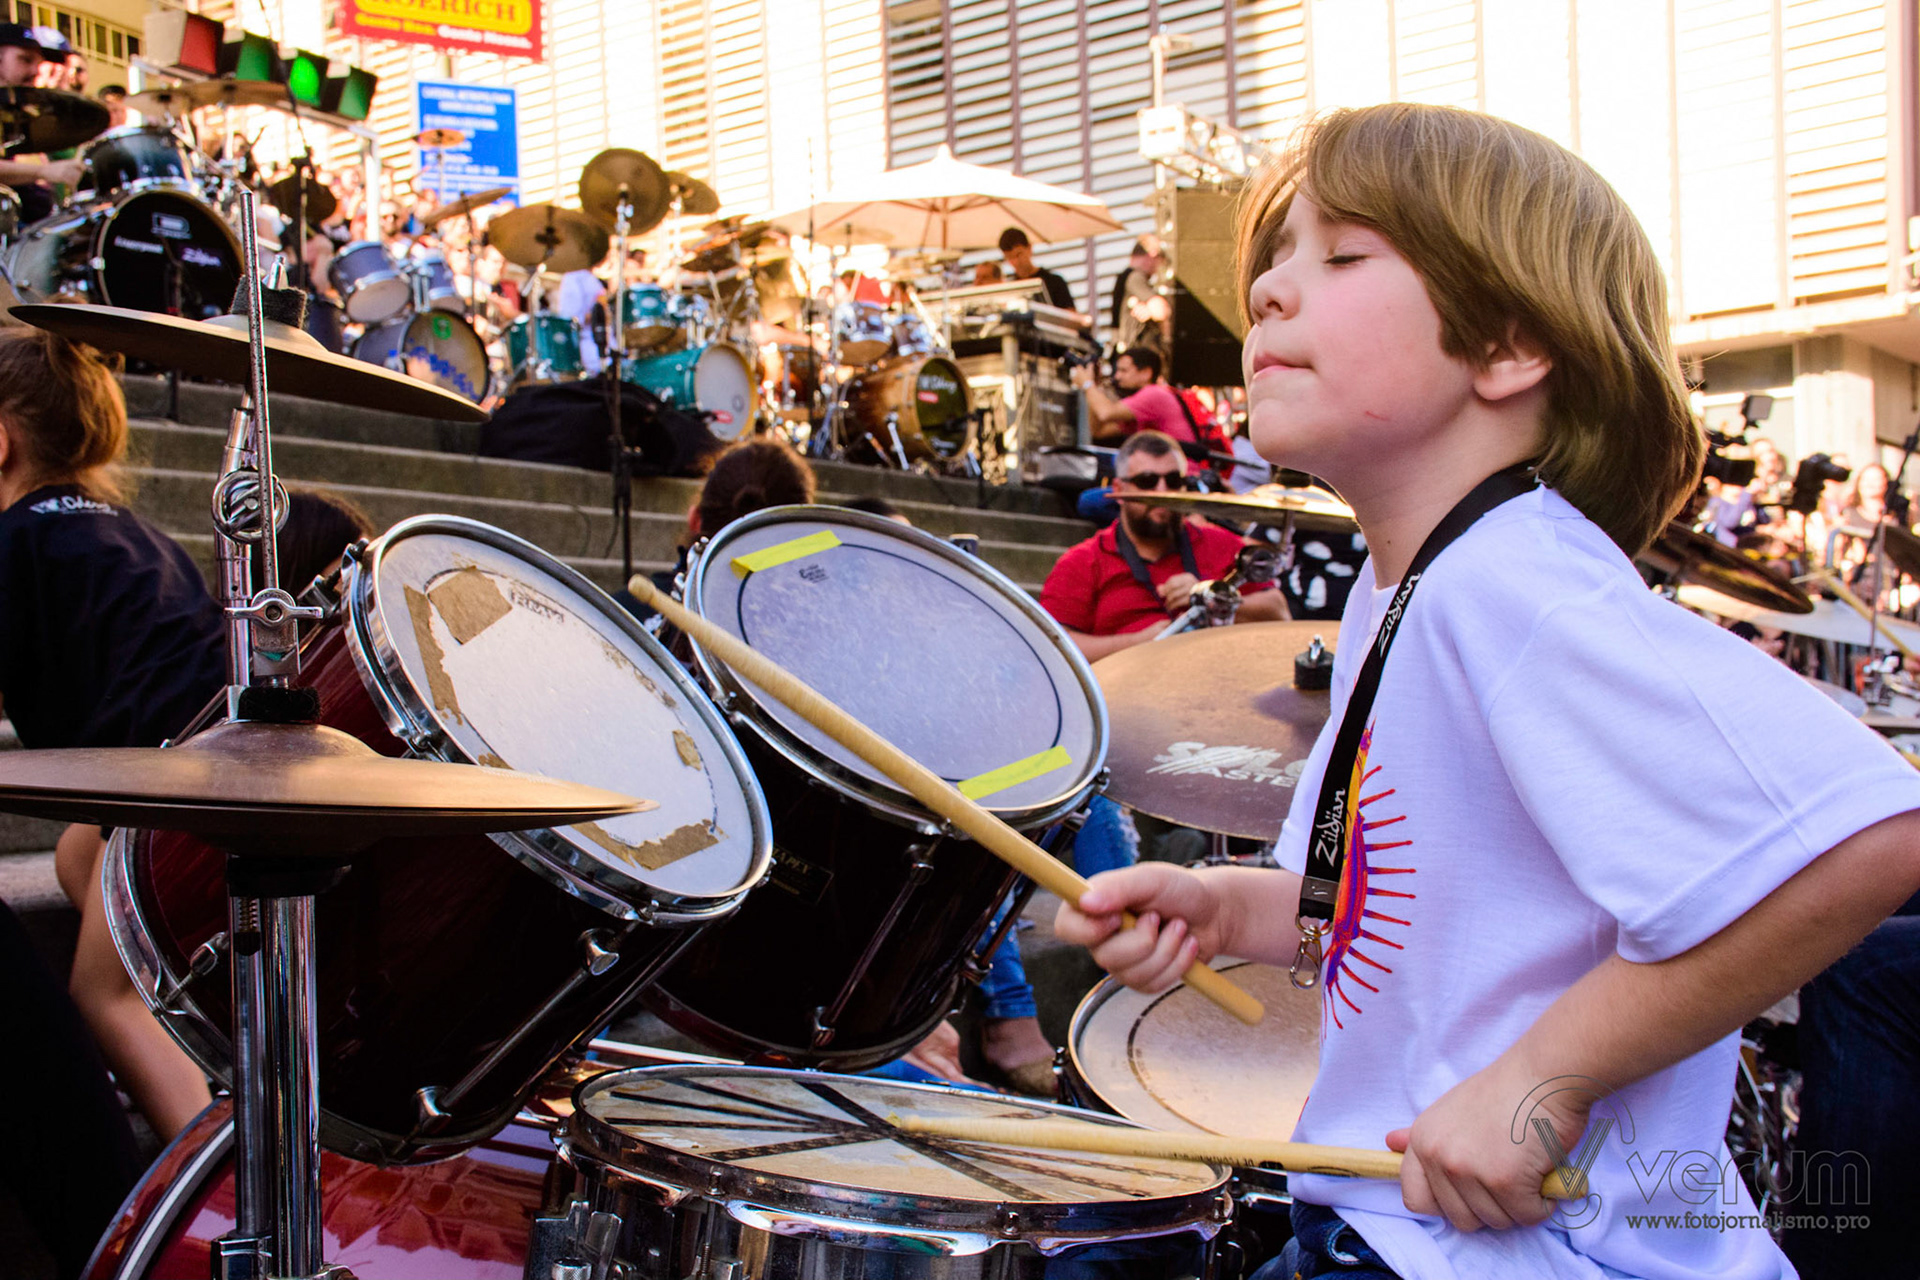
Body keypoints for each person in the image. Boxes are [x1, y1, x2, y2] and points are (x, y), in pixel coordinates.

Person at [1055, 101, 1920, 1280]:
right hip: (1387, 1227)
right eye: (1277, 258)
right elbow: (1401, 914)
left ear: (1509, 343)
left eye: (1344, 255)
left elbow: (1866, 835)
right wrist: (1227, 908)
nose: (1267, 290)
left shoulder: (1517, 581)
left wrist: (1537, 1080)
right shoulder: (1415, 585)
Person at [0, 329, 228, 1269]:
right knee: (72, 856)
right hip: (210, 768)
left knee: (106, 993)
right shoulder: (125, 532)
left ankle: (214, 1195)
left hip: (163, 779)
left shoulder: (13, 543)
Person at [0, 26, 83, 223]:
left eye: (38, 63)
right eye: (25, 59)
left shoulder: (14, 114)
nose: (35, 71)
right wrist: (44, 172)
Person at [1110, 235, 1170, 360]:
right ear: (1152, 255)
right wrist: (1152, 311)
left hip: (1127, 354)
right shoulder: (1136, 277)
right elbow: (1161, 311)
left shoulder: (1123, 277)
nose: (1156, 270)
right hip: (1137, 356)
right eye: (1159, 263)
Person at [998, 227, 1075, 311]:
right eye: (1009, 257)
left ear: (1029, 248)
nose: (1015, 262)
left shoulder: (1054, 282)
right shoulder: (1010, 287)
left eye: (1019, 254)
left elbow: (1071, 316)